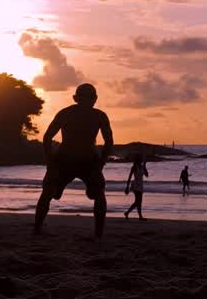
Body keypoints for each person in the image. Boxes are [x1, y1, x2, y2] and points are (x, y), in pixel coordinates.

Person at [33, 83, 113, 239]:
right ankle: (37, 229)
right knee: (49, 192)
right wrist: (50, 164)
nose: (86, 101)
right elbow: (47, 137)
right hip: (65, 160)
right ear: (76, 98)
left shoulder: (98, 116)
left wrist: (100, 165)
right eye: (83, 98)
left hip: (88, 161)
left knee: (97, 193)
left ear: (94, 99)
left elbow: (109, 142)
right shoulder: (67, 113)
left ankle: (98, 234)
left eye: (89, 98)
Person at [124, 154, 149, 220]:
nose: (142, 159)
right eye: (141, 158)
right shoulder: (134, 167)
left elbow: (147, 175)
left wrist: (144, 165)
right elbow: (129, 177)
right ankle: (139, 216)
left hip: (140, 185)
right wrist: (127, 186)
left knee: (138, 201)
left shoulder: (142, 166)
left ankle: (128, 213)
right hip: (135, 185)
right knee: (138, 201)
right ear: (138, 159)